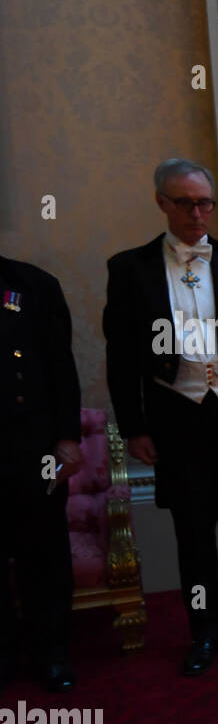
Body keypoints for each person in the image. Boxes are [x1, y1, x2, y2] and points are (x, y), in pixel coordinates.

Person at [104, 158, 218, 675]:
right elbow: (120, 356)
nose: (196, 212)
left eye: (205, 202)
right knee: (192, 534)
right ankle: (202, 632)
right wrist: (133, 425)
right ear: (161, 202)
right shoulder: (130, 268)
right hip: (177, 416)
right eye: (184, 202)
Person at [0, 255, 81, 692]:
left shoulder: (32, 284)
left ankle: (51, 651)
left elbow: (60, 368)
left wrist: (68, 438)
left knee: (44, 553)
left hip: (32, 446)